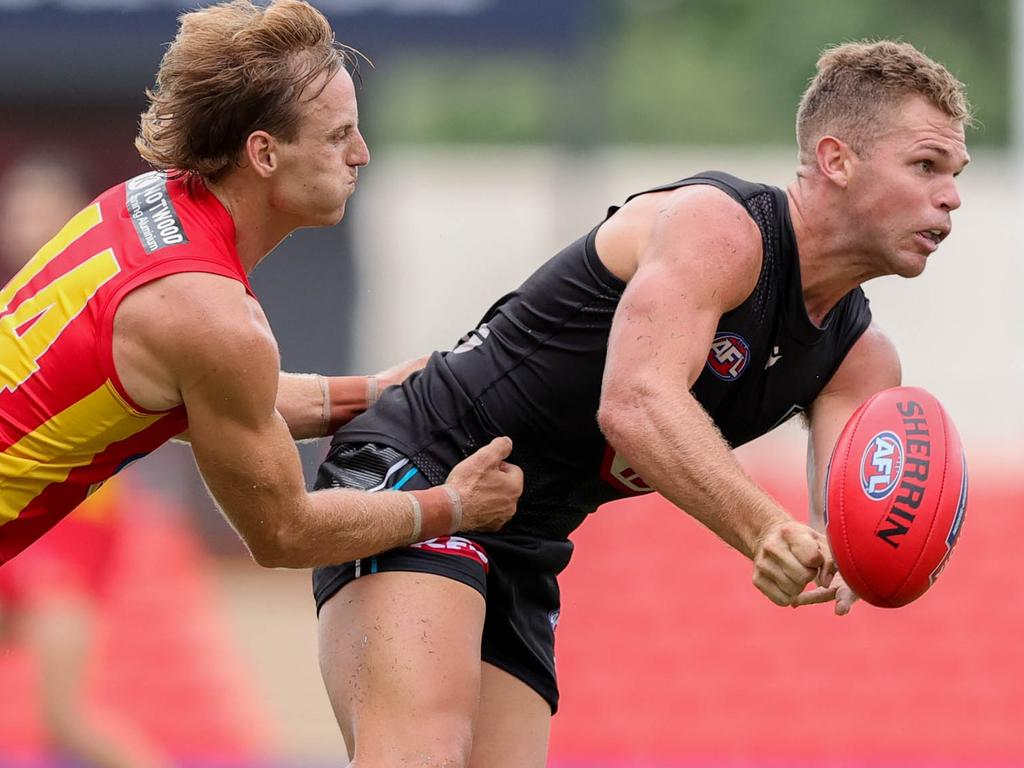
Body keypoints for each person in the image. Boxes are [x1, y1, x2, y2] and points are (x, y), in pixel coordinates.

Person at [312, 40, 971, 766]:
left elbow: (845, 518)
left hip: (524, 541)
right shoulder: (721, 228)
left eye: (955, 175)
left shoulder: (861, 358)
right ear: (837, 159)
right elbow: (635, 402)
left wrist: (854, 557)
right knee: (421, 757)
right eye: (926, 166)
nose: (951, 196)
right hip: (424, 467)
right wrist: (763, 531)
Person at [0, 0, 523, 569]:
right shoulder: (212, 318)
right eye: (338, 135)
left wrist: (379, 392)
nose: (361, 155)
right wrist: (453, 505)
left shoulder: (142, 199)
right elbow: (285, 533)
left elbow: (217, 392)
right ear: (264, 152)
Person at [0, 153, 170, 768]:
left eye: (36, 209)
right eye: (15, 209)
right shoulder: (18, 309)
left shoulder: (100, 299)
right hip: (26, 509)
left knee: (64, 718)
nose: (21, 222)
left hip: (67, 525)